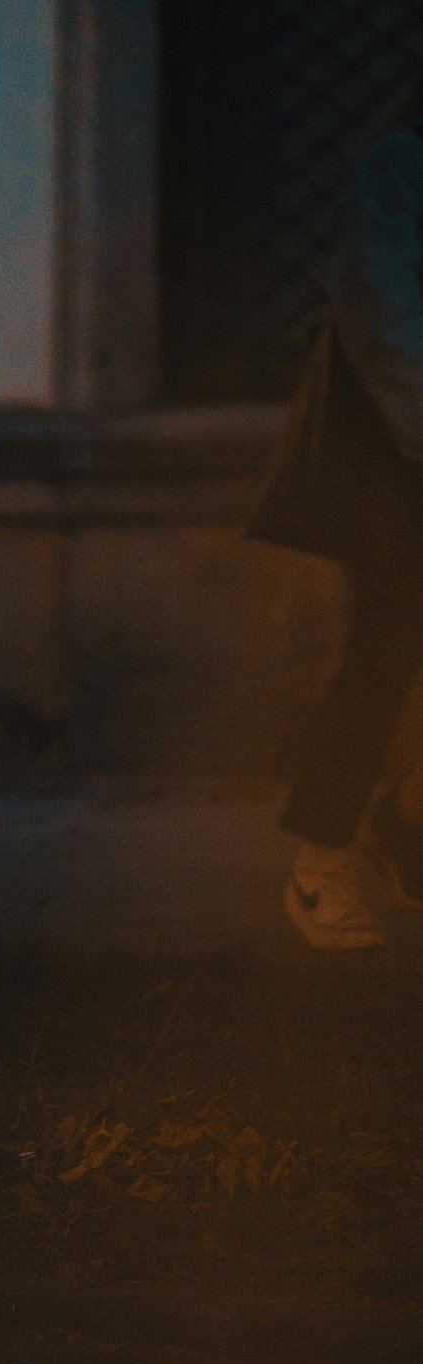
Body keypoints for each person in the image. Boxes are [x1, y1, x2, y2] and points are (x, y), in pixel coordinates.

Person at [257, 88, 423, 949]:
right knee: (385, 655)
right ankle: (321, 862)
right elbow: (389, 325)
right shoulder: (400, 163)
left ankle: (402, 821)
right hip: (401, 458)